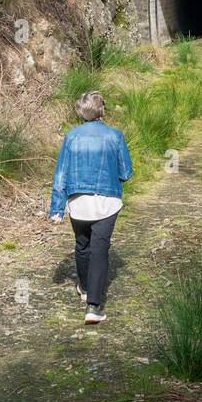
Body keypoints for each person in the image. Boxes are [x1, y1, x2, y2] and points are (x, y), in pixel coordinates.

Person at [48, 90, 133, 325]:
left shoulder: (71, 136)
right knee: (99, 249)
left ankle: (85, 288)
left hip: (78, 202)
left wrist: (56, 209)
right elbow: (126, 173)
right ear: (102, 109)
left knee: (82, 244)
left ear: (81, 111)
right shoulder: (115, 135)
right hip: (107, 201)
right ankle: (93, 307)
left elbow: (61, 174)